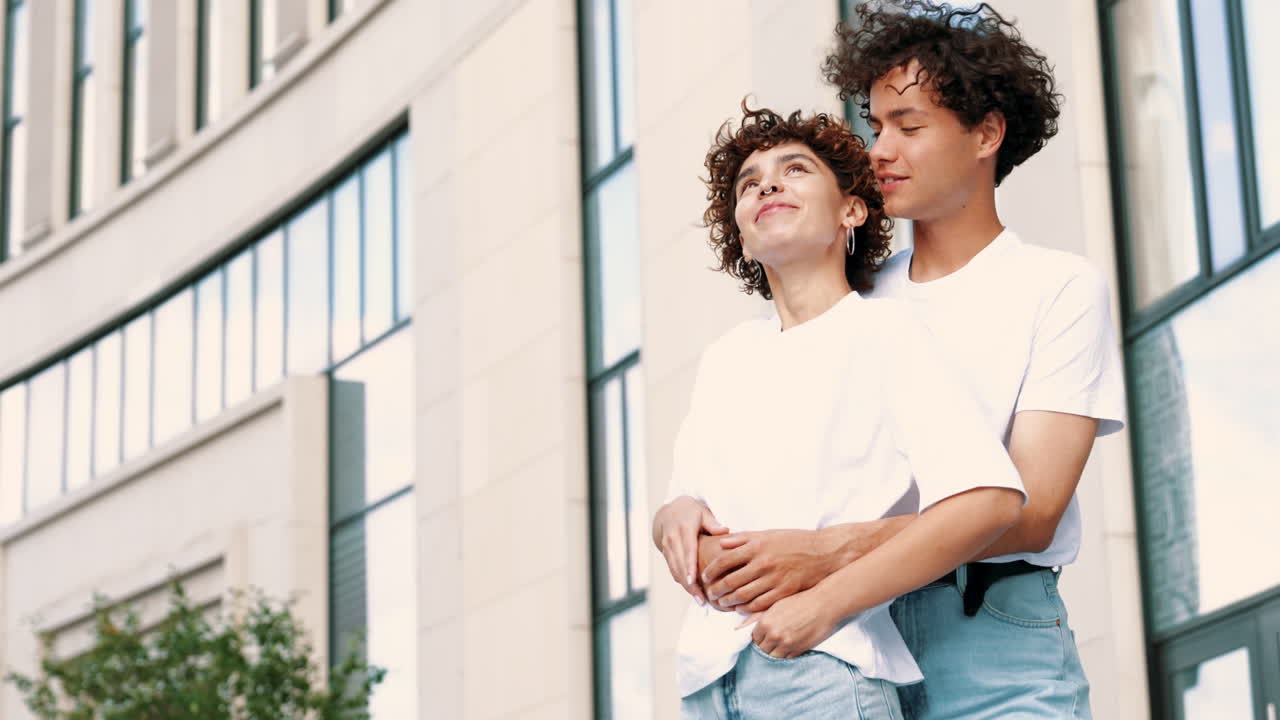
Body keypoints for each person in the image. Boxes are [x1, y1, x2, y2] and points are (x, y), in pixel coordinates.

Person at [665, 2, 1127, 718]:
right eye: (875, 126)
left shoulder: (1056, 289)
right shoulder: (854, 297)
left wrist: (828, 555)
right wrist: (687, 506)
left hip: (984, 630)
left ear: (987, 133)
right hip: (848, 640)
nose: (880, 149)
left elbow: (1030, 512)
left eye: (907, 127)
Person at [661, 104, 1026, 720]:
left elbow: (989, 500)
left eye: (795, 170)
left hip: (825, 673)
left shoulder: (886, 333)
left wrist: (825, 603)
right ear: (742, 239)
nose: (768, 185)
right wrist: (671, 518)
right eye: (750, 184)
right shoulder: (727, 357)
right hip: (709, 680)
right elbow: (685, 503)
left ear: (851, 211)